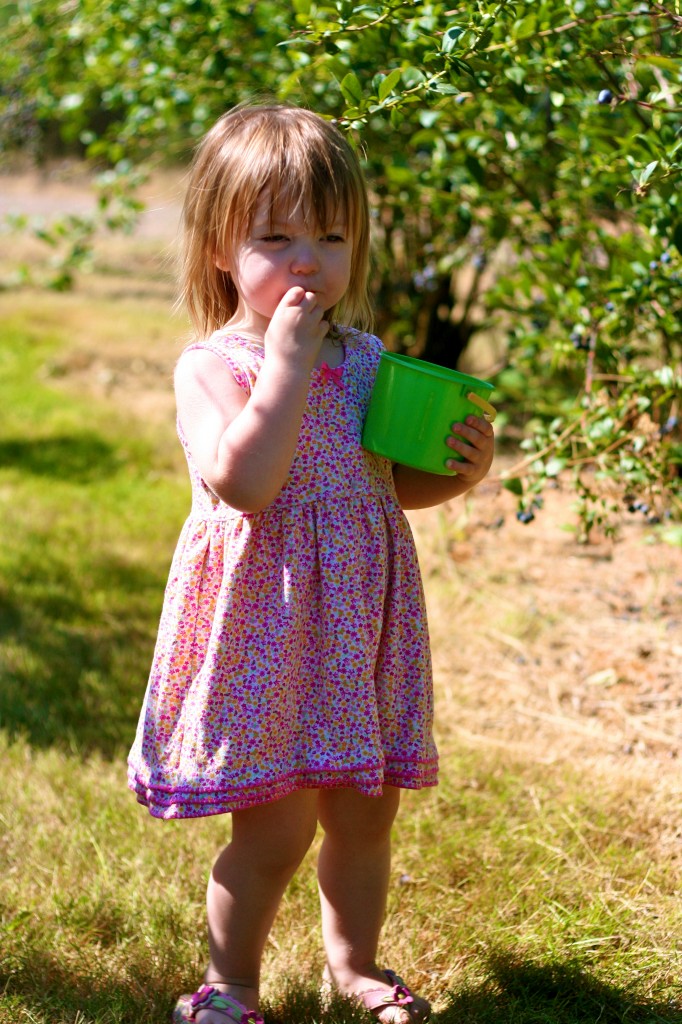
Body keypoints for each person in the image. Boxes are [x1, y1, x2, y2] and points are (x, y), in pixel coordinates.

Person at [127, 103, 495, 1024]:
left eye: (331, 237)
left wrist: (460, 471)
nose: (308, 261)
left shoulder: (366, 360)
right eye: (277, 237)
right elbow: (247, 486)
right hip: (268, 625)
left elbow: (384, 487)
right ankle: (230, 986)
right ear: (220, 248)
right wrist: (286, 367)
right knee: (276, 826)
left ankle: (356, 967)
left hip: (357, 618)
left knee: (365, 814)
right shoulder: (214, 368)